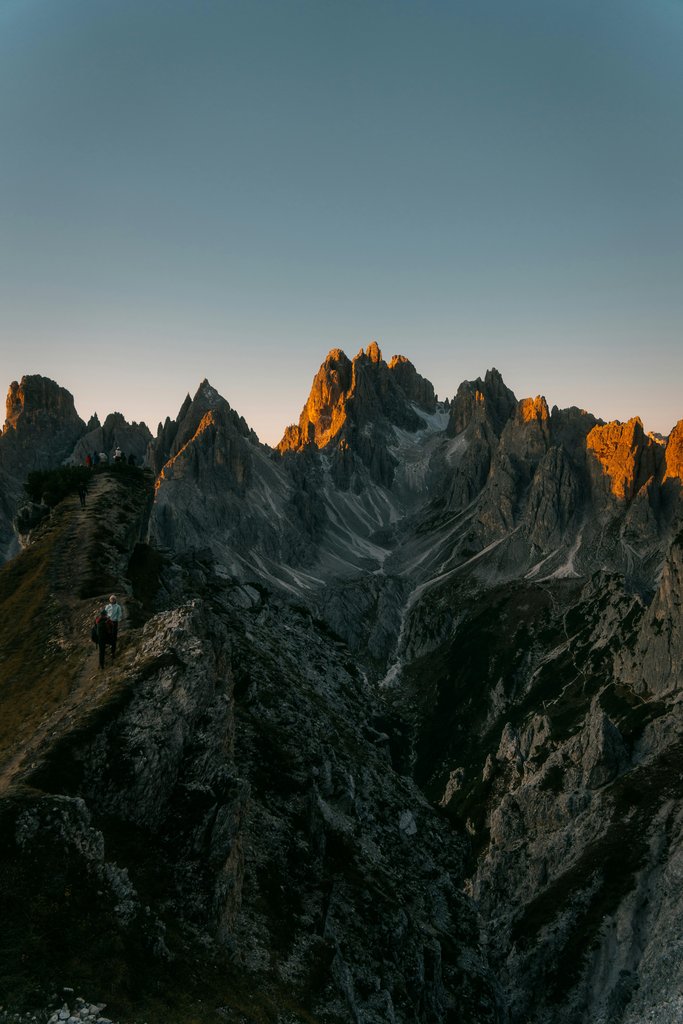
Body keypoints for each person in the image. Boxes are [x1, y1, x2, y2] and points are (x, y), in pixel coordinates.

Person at [105, 594, 123, 658]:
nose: (112, 600)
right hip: (108, 622)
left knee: (114, 636)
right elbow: (105, 613)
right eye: (111, 599)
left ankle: (113, 652)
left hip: (114, 622)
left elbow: (119, 614)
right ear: (110, 600)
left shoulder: (118, 607)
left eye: (113, 599)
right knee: (108, 634)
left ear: (115, 600)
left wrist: (118, 620)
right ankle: (108, 646)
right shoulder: (107, 606)